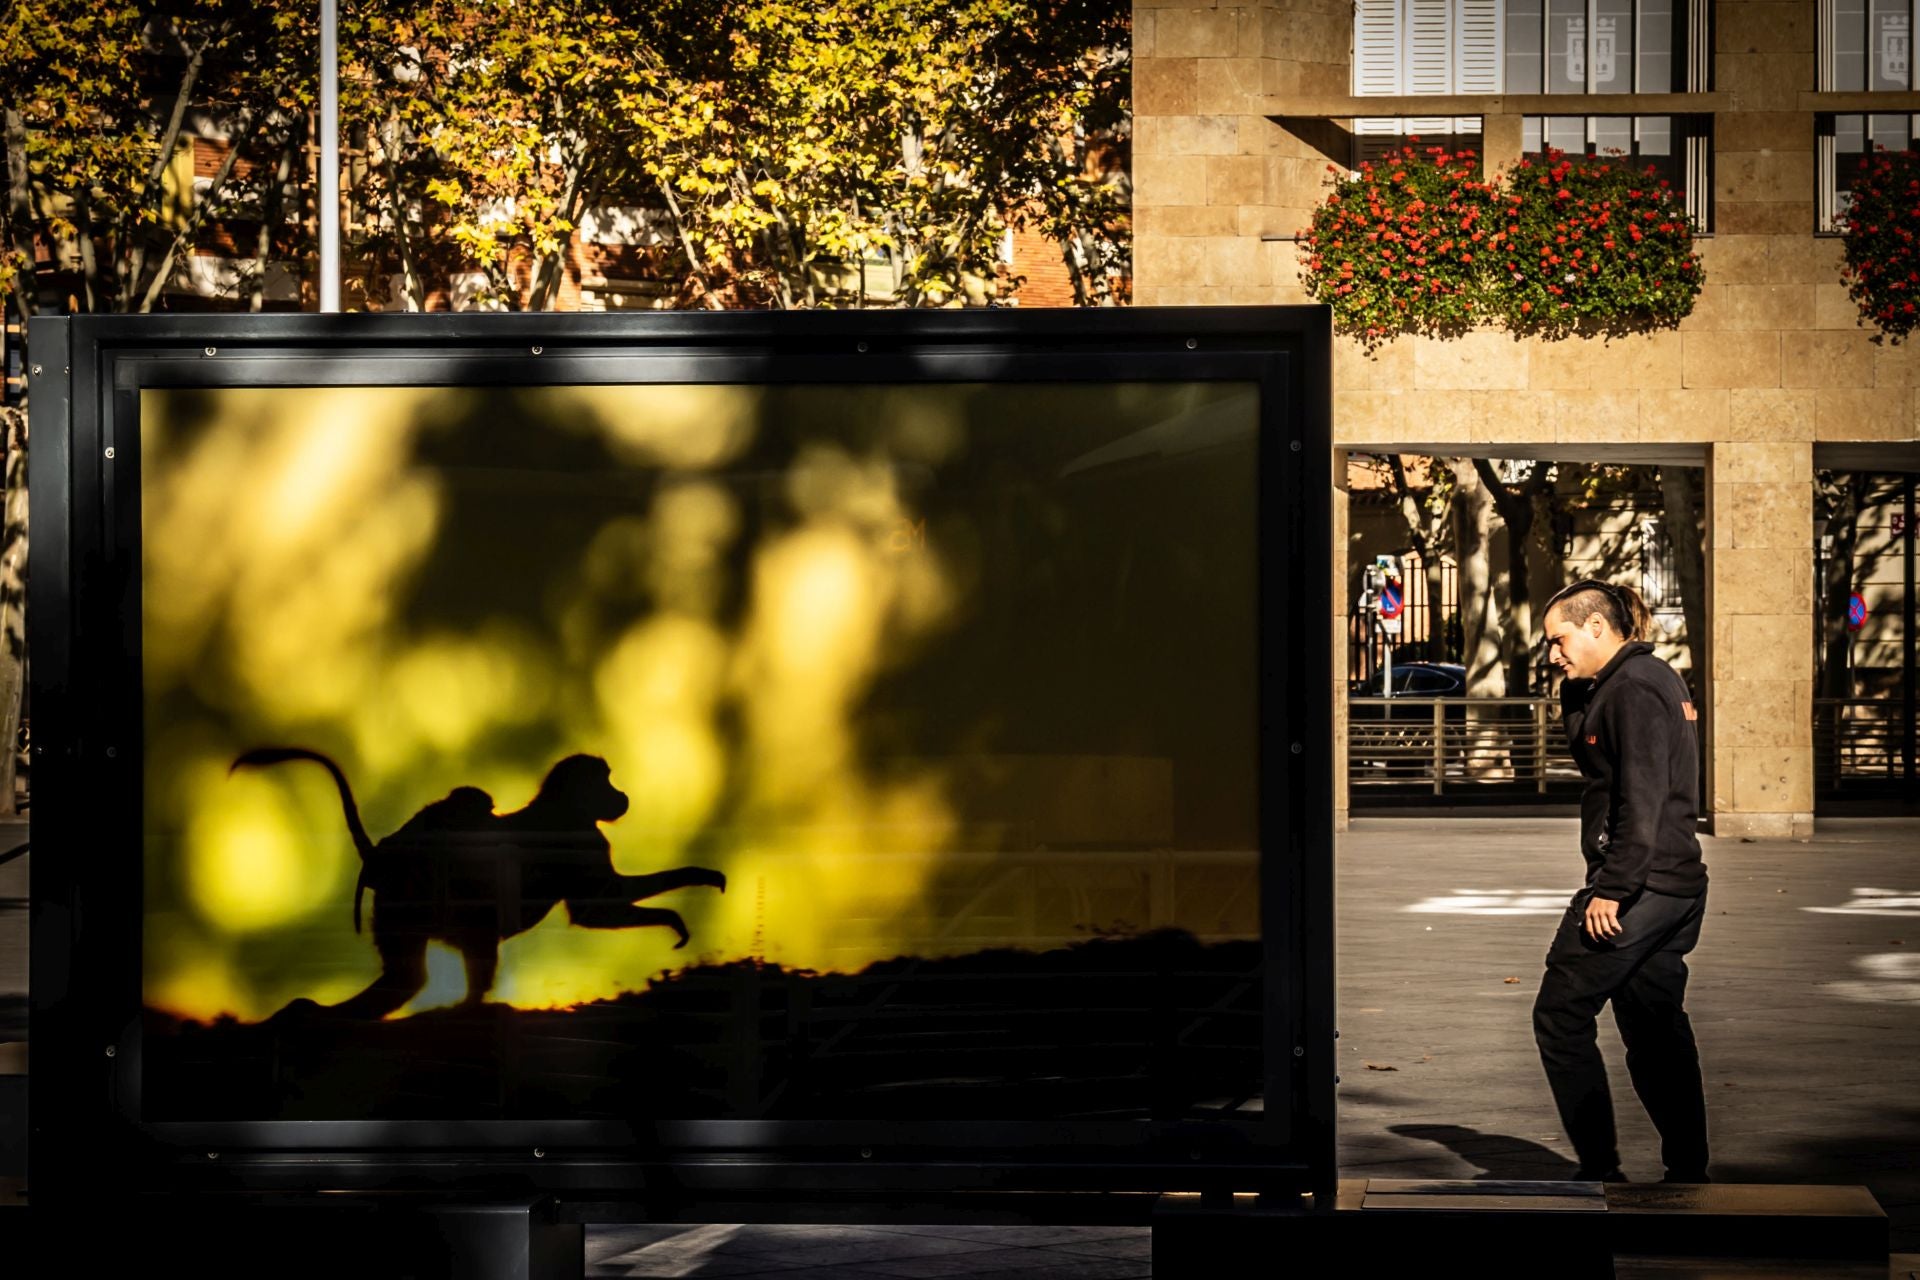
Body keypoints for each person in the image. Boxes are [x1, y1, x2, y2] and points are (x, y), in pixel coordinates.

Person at [1535, 578, 1710, 1184]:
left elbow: (1642, 798)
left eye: (1559, 640)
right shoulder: (1643, 678)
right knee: (1655, 1029)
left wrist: (1612, 888)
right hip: (1674, 882)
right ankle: (1689, 1171)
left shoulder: (1632, 688)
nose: (1553, 654)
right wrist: (1574, 689)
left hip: (1642, 886)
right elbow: (1598, 762)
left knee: (1560, 1014)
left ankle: (1601, 1171)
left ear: (1597, 628)